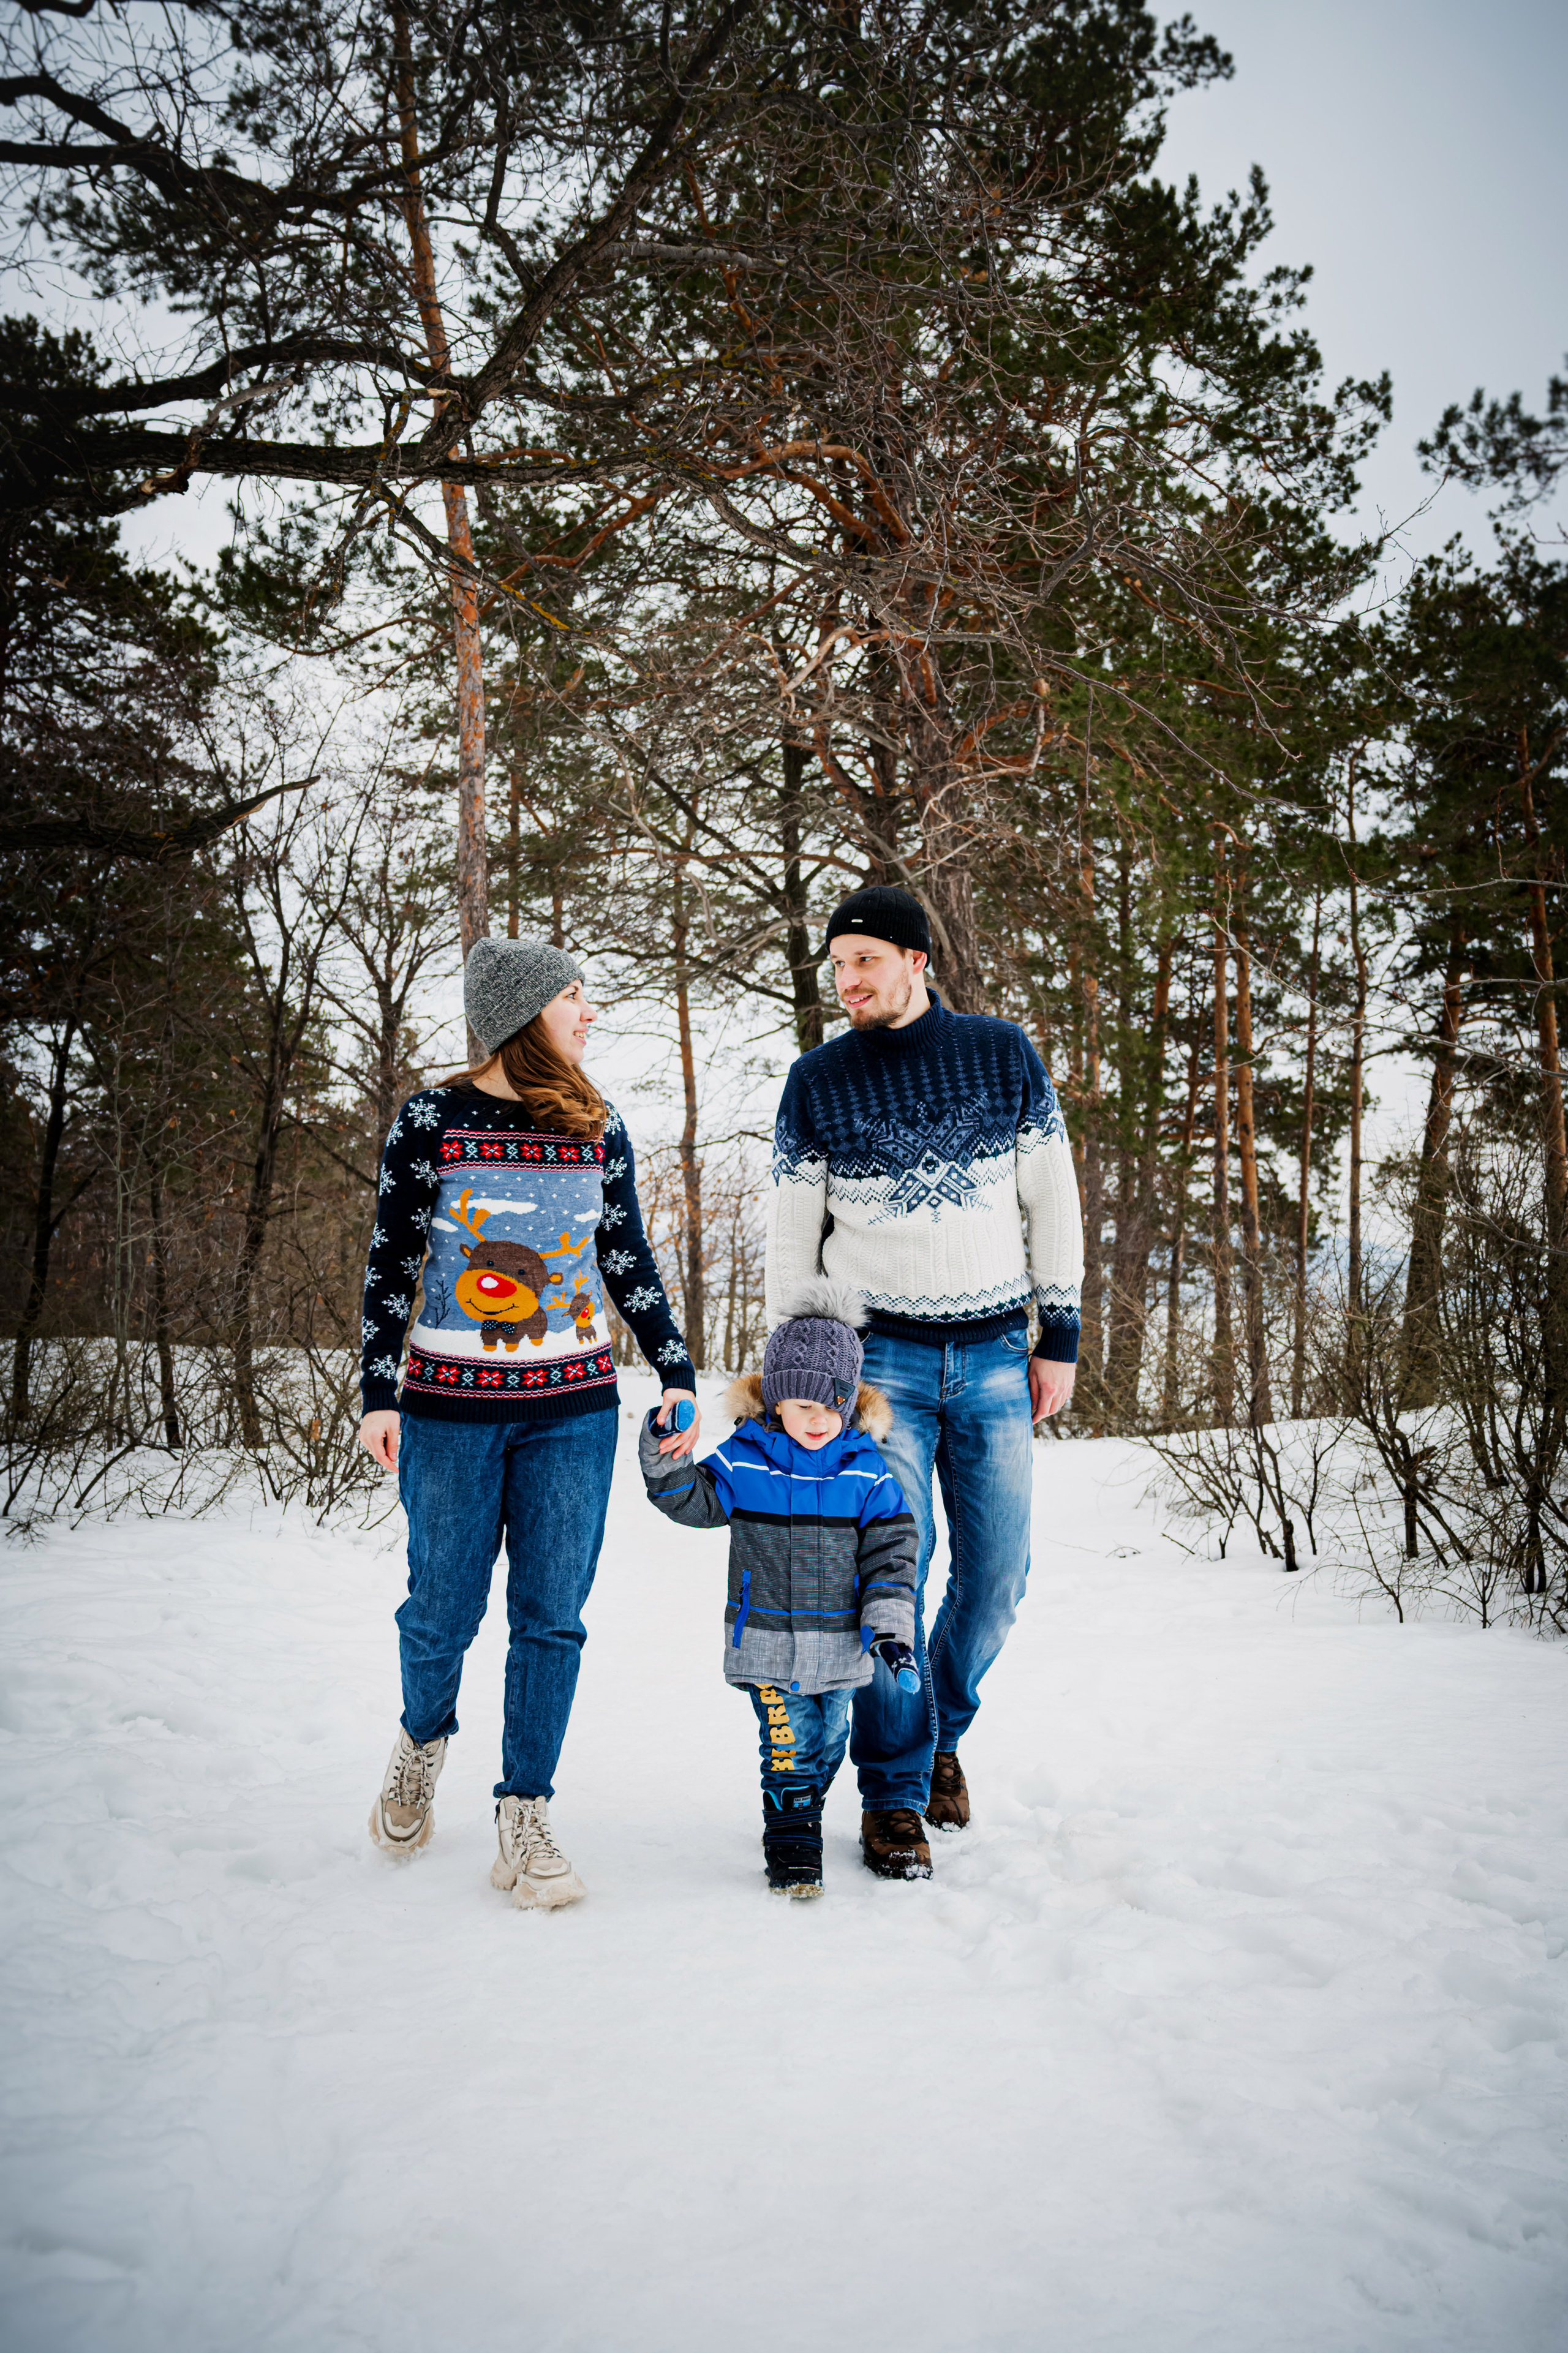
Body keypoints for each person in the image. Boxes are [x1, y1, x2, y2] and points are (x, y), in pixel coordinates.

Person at [358, 937, 700, 1909]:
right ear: (523, 1011)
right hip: (449, 1412)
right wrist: (379, 1393)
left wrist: (674, 1367)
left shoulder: (598, 1122)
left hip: (574, 1411)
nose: (590, 1013)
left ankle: (526, 1807)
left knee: (551, 1617)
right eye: (573, 996)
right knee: (442, 1609)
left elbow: (627, 1257)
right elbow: (393, 1260)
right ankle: (422, 1739)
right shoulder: (431, 1119)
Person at [766, 885, 1084, 1881]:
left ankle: (939, 1725)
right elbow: (791, 1244)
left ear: (916, 959)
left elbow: (1053, 1198)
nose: (848, 981)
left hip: (995, 1357)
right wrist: (800, 1372)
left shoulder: (1002, 1054)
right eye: (838, 966)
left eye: (864, 959)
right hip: (878, 1367)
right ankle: (895, 1791)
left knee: (998, 1578)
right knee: (890, 1581)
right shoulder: (817, 1081)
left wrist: (1061, 1333)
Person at [639, 1281, 919, 1896]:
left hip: (842, 1644)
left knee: (829, 1742)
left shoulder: (867, 1471)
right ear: (775, 1399)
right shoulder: (745, 1458)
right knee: (788, 1745)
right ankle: (793, 1842)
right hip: (766, 1638)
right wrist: (665, 1456)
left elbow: (892, 1552)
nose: (819, 1420)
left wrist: (890, 1626)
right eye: (803, 1405)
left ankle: (803, 1806)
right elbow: (692, 1500)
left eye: (833, 1406)